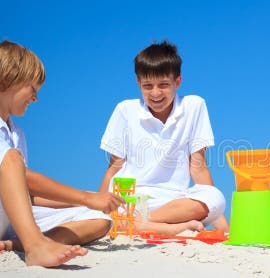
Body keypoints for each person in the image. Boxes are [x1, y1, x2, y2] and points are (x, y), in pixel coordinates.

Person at [0, 40, 123, 267]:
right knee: (12, 158)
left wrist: (86, 203)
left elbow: (24, 192)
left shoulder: (17, 134)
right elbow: (24, 177)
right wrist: (85, 197)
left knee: (99, 220)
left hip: (5, 222)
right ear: (6, 80)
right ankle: (35, 246)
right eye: (32, 89)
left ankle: (19, 243)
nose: (35, 98)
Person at [98, 40, 228, 235]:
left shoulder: (194, 106)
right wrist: (99, 210)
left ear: (178, 82)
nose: (156, 93)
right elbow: (114, 167)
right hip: (129, 199)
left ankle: (140, 224)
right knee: (110, 212)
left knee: (216, 197)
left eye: (164, 85)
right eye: (148, 86)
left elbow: (198, 166)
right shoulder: (125, 110)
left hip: (173, 205)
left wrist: (224, 229)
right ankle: (167, 228)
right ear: (138, 83)